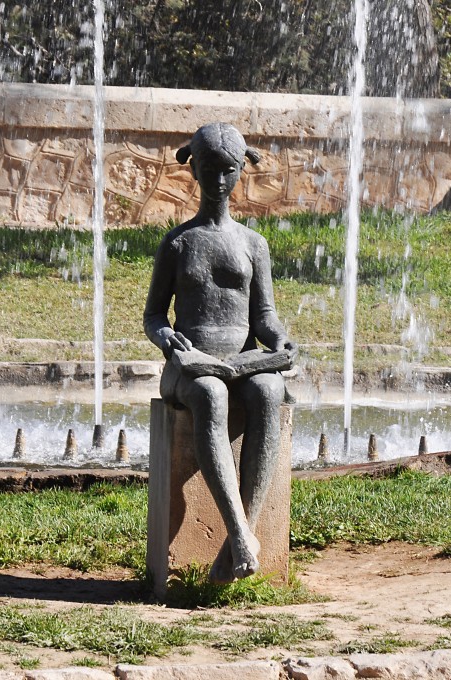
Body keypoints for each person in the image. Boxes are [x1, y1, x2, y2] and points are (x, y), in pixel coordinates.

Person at [143, 122, 297, 582]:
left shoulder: (254, 244)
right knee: (210, 394)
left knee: (270, 392)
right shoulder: (178, 242)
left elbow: (264, 315)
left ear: (239, 173)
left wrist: (280, 341)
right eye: (209, 169)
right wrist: (168, 340)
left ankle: (236, 543)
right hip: (190, 367)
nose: (218, 180)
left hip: (244, 360)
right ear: (193, 169)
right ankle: (241, 533)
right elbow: (154, 315)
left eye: (228, 170)